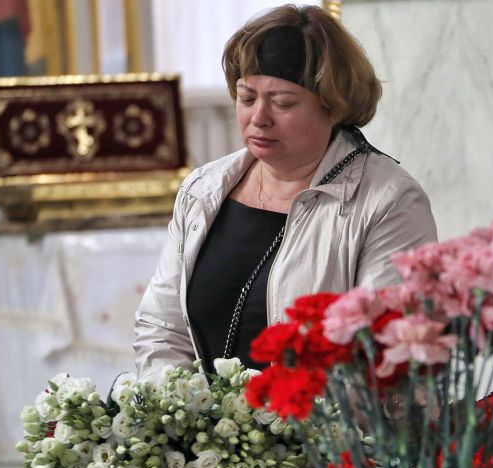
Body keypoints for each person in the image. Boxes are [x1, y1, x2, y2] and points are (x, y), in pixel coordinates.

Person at [134, 4, 437, 377]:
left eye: (282, 102)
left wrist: (272, 428)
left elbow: (386, 353)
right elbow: (162, 329)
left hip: (320, 429)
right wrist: (180, 416)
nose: (258, 117)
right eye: (246, 98)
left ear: (332, 106)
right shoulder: (204, 189)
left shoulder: (387, 201)